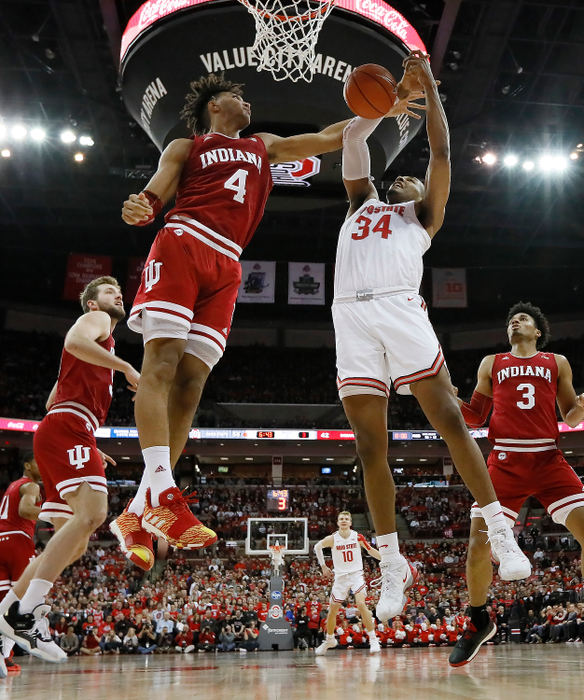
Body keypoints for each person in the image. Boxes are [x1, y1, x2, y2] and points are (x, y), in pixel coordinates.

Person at [111, 70, 372, 564]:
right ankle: (164, 495)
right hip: (185, 241)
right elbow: (152, 197)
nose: (246, 101)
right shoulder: (185, 147)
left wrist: (383, 107)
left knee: (191, 384)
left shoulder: (263, 145)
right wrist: (138, 209)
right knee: (161, 364)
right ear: (214, 105)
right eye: (237, 95)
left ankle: (137, 511)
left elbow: (329, 137)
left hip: (228, 262)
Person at [331, 51, 531, 627]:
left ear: (420, 193)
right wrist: (387, 107)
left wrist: (431, 97)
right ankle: (391, 564)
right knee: (370, 446)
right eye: (397, 175)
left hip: (398, 308)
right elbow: (352, 140)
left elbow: (441, 153)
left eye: (409, 179)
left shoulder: (422, 217)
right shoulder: (360, 201)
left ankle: (499, 528)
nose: (401, 178)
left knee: (448, 419)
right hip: (350, 317)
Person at [0, 276, 140, 663]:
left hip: (68, 430)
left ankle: (9, 610)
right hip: (69, 429)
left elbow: (53, 397)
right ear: (92, 305)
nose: (118, 296)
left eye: (119, 291)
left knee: (75, 541)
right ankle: (25, 611)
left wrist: (87, 444)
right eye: (109, 292)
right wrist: (126, 366)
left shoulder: (97, 350)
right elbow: (73, 342)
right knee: (93, 514)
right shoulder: (95, 326)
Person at [449, 301, 584, 666]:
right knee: (478, 542)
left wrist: (583, 406)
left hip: (547, 458)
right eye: (511, 319)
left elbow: (570, 417)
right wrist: (449, 398)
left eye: (522, 319)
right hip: (504, 460)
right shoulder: (492, 363)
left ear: (537, 331)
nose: (515, 321)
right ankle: (478, 621)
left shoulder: (557, 362)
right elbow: (476, 416)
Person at [313, 511, 382, 655]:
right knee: (332, 611)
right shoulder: (333, 538)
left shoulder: (357, 537)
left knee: (361, 604)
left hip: (356, 575)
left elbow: (371, 551)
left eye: (346, 519)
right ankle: (330, 639)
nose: (344, 521)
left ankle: (373, 639)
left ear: (350, 522)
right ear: (338, 522)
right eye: (341, 519)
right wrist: (323, 566)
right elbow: (317, 547)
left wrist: (386, 559)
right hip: (340, 577)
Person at [0, 452, 42, 677]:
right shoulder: (31, 485)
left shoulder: (12, 486)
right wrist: (56, 515)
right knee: (22, 604)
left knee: (4, 603)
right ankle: (4, 656)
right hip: (18, 541)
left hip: (1, 540)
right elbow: (25, 511)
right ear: (27, 465)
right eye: (39, 462)